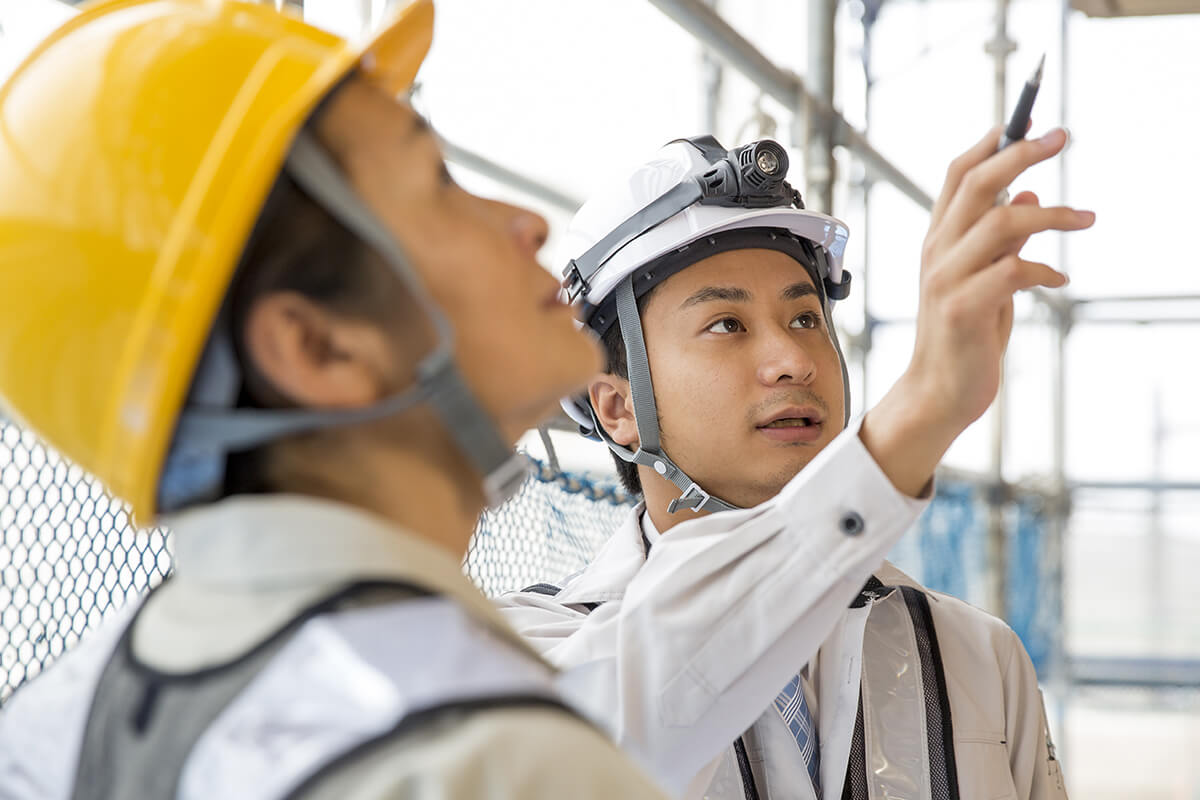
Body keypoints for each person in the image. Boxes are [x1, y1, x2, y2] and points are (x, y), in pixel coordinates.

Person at [0, 1, 670, 798]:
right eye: (438, 183)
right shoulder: (495, 764)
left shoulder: (47, 727)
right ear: (320, 347)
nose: (526, 221)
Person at [498, 133, 1091, 798]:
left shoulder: (977, 657)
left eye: (806, 318)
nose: (794, 360)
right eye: (727, 324)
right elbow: (643, 705)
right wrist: (922, 408)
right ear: (618, 409)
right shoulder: (529, 656)